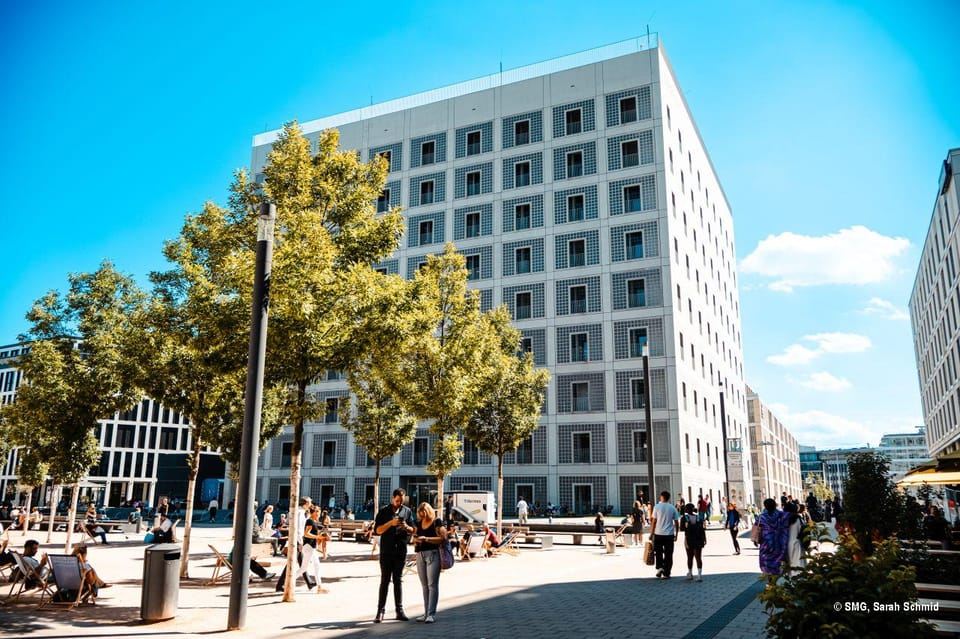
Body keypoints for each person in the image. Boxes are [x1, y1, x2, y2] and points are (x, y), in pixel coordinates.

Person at [373, 488, 416, 623]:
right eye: (397, 501)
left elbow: (414, 529)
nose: (399, 503)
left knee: (398, 580)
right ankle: (380, 611)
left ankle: (399, 610)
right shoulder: (384, 511)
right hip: (386, 551)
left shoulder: (407, 511)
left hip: (400, 551)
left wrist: (406, 527)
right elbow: (377, 530)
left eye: (401, 501)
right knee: (385, 580)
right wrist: (390, 523)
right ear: (393, 498)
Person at [412, 502, 446, 623]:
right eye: (421, 515)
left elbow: (443, 538)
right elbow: (414, 537)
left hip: (433, 554)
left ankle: (431, 614)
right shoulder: (418, 523)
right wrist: (415, 539)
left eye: (425, 514)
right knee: (424, 586)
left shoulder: (437, 522)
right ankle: (426, 613)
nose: (423, 517)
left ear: (429, 512)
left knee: (432, 585)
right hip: (420, 555)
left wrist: (426, 539)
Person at [650, 491, 679, 579]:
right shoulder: (672, 507)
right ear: (669, 498)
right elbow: (676, 522)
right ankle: (667, 572)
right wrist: (676, 534)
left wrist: (651, 533)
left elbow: (654, 521)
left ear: (662, 497)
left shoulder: (657, 507)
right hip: (669, 534)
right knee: (669, 553)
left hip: (658, 533)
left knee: (658, 552)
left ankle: (660, 568)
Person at [758, 498, 789, 576]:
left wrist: (756, 540)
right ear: (775, 505)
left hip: (766, 543)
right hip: (779, 542)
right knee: (778, 562)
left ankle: (770, 582)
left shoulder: (761, 517)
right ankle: (775, 582)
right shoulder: (783, 515)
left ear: (765, 506)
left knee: (766, 563)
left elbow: (757, 529)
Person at [299, 505, 325, 591]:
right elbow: (306, 534)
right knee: (304, 568)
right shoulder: (310, 521)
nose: (319, 514)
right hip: (308, 547)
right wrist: (318, 537)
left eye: (319, 512)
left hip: (311, 547)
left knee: (316, 566)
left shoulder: (313, 521)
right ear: (313, 512)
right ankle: (287, 582)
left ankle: (319, 587)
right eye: (317, 512)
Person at [679, 503, 706, 581]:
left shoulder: (684, 518)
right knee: (698, 557)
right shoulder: (698, 517)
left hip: (688, 539)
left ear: (686, 509)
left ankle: (690, 573)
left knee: (690, 557)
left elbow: (682, 529)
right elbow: (703, 529)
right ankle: (699, 575)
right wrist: (704, 538)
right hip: (698, 539)